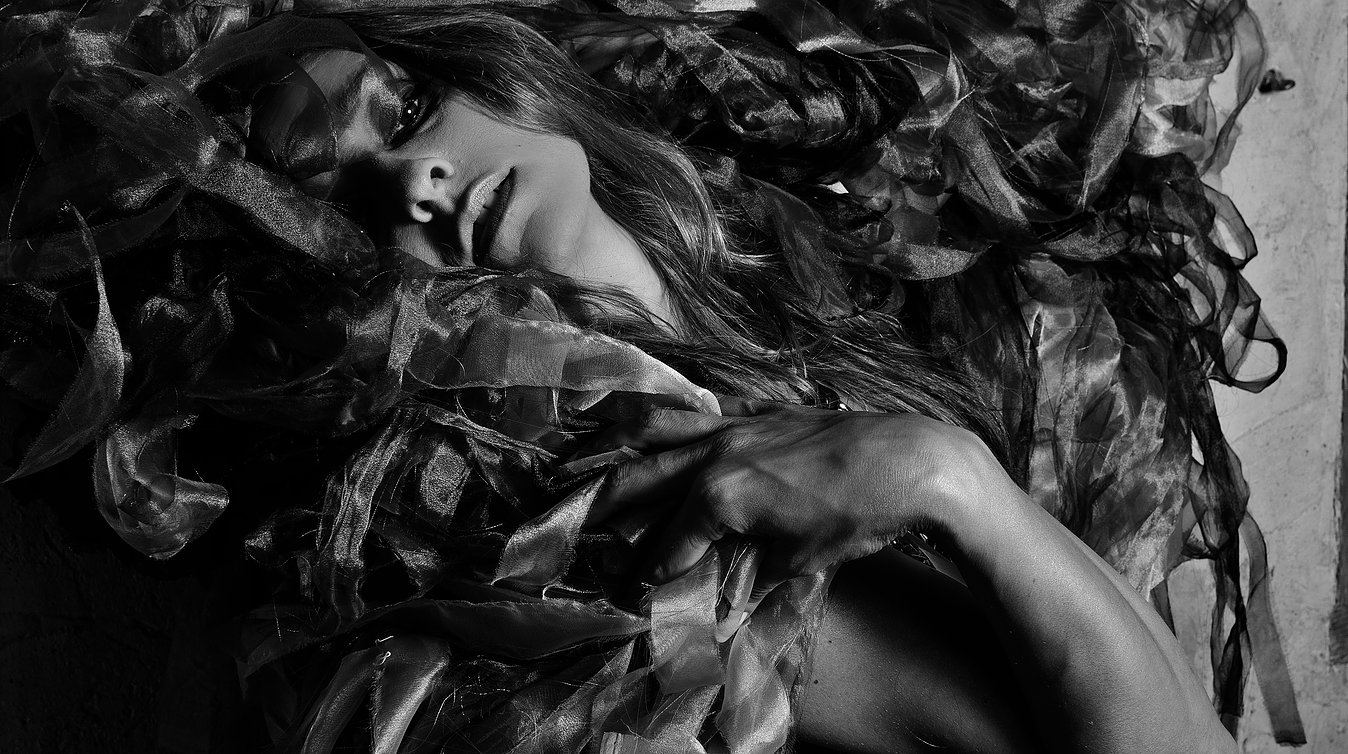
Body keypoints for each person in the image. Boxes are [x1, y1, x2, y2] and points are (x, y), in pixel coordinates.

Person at [0, 0, 1290, 751]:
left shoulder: (766, 257)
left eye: (401, 114)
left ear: (497, 81)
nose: (418, 181)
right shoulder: (651, 530)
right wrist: (948, 483)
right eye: (341, 209)